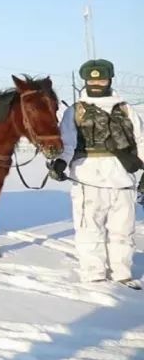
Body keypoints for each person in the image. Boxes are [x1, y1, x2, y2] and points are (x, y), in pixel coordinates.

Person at [47, 59, 144, 289]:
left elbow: (140, 141)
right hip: (87, 179)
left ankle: (122, 272)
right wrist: (60, 163)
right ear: (85, 81)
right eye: (92, 79)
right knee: (89, 229)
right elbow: (68, 144)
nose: (96, 83)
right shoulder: (76, 111)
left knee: (123, 229)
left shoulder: (125, 108)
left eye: (101, 78)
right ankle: (94, 275)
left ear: (109, 79)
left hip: (122, 179)